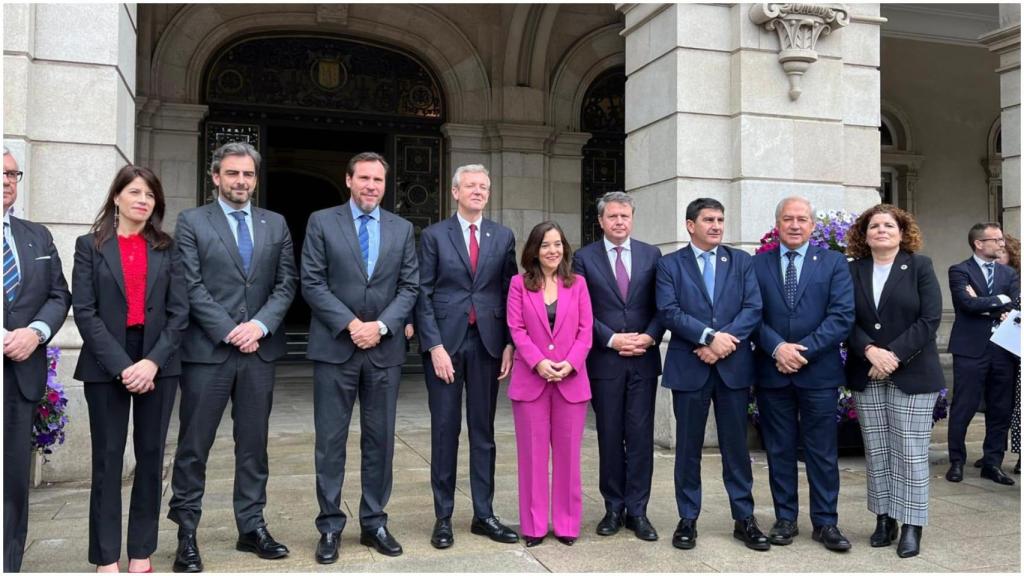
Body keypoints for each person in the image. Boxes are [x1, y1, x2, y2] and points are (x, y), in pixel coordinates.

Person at [167, 142, 298, 572]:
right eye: (232, 173)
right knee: (194, 446)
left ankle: (251, 526)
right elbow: (190, 284)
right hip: (208, 353)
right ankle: (186, 532)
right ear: (215, 177)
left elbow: (286, 284)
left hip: (259, 352)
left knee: (254, 446)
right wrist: (229, 330)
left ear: (255, 179)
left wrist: (258, 326)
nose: (240, 181)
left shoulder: (275, 224)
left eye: (247, 174)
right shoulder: (191, 222)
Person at [302, 152, 419, 563]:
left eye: (378, 180)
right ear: (349, 180)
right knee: (330, 441)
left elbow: (410, 286)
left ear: (385, 186)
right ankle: (330, 526)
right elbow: (312, 282)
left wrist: (382, 326)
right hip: (336, 348)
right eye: (364, 178)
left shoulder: (402, 228)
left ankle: (374, 522)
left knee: (380, 441)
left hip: (383, 351)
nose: (371, 186)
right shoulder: (322, 221)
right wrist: (353, 325)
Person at [71, 166, 188, 572]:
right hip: (107, 363)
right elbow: (85, 313)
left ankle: (141, 552)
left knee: (152, 457)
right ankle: (105, 558)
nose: (143, 200)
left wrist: (152, 362)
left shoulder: (168, 249)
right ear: (117, 197)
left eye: (151, 195)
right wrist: (124, 367)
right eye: (135, 192)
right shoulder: (89, 247)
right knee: (107, 459)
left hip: (159, 361)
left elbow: (179, 313)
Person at [655, 198, 768, 552]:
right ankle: (687, 519)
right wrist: (707, 338)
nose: (716, 225)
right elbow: (668, 311)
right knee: (688, 449)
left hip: (733, 370)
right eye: (708, 219)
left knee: (736, 448)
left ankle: (744, 518)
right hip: (690, 368)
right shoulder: (670, 265)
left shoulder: (741, 262)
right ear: (691, 225)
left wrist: (723, 343)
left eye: (720, 219)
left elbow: (753, 307)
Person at [415, 164, 518, 549]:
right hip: (445, 344)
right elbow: (422, 292)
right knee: (445, 431)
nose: (478, 191)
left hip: (488, 344)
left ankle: (483, 514)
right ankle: (443, 517)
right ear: (455, 191)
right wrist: (434, 346)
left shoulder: (502, 236)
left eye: (484, 187)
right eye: (471, 186)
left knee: (483, 432)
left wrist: (509, 342)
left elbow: (511, 292)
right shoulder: (434, 235)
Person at [751, 197, 854, 552]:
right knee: (779, 449)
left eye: (802, 219)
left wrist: (801, 351)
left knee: (822, 451)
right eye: (788, 219)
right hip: (772, 371)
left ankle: (826, 523)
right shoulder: (758, 264)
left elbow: (841, 316)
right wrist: (778, 348)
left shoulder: (834, 263)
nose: (795, 225)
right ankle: (785, 519)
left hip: (819, 373)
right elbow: (752, 314)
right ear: (777, 223)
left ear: (812, 225)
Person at [844, 204, 945, 558]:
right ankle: (883, 518)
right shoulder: (852, 270)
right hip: (867, 371)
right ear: (864, 234)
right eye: (874, 226)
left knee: (911, 452)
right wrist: (870, 351)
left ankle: (911, 525)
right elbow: (844, 319)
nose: (881, 230)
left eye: (889, 225)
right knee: (878, 450)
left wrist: (892, 356)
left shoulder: (920, 266)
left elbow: (929, 319)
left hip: (913, 373)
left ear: (902, 233)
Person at [572, 191, 664, 540]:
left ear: (632, 218)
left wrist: (649, 336)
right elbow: (581, 310)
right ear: (601, 221)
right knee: (610, 435)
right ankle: (613, 507)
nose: (619, 222)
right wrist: (611, 339)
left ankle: (638, 511)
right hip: (604, 360)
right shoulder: (583, 258)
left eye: (625, 216)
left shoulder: (651, 255)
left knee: (640, 437)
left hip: (643, 359)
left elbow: (663, 305)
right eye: (612, 217)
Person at [3, 147, 72, 573]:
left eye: (13, 174)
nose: (7, 181)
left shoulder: (36, 236)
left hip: (21, 376)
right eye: (1, 173)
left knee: (12, 481)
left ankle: (9, 562)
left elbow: (58, 294)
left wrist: (36, 333)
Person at [506, 221, 592, 547]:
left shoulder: (579, 284)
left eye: (558, 244)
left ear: (565, 249)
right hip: (532, 380)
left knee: (569, 458)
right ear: (534, 250)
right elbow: (516, 329)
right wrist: (539, 362)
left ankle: (568, 525)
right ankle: (534, 525)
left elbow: (586, 330)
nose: (552, 250)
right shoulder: (518, 284)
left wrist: (569, 364)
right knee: (533, 457)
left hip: (571, 381)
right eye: (545, 245)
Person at [945, 222, 1019, 487]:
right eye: (996, 239)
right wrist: (998, 302)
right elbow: (965, 304)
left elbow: (1014, 304)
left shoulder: (1009, 274)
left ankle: (992, 463)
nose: (1002, 243)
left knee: (1000, 408)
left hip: (1003, 349)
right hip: (969, 349)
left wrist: (988, 301)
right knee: (964, 406)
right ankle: (956, 460)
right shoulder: (959, 270)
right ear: (979, 243)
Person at [969, 233, 1021, 474]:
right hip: (997, 349)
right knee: (997, 404)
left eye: (1002, 252)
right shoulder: (986, 277)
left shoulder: (1014, 280)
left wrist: (982, 301)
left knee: (1009, 406)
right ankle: (993, 455)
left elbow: (1008, 309)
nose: (996, 256)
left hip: (1014, 349)